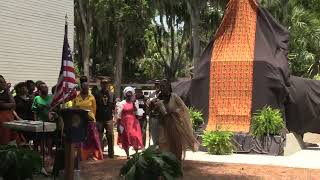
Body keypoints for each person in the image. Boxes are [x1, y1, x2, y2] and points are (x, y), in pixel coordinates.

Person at [153, 80, 199, 161]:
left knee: (176, 144)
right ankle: (166, 163)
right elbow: (153, 111)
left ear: (168, 87)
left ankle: (177, 162)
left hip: (174, 124)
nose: (162, 88)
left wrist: (174, 112)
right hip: (163, 125)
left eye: (164, 86)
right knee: (163, 143)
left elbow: (183, 108)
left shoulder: (174, 97)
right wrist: (153, 107)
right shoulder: (157, 99)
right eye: (161, 86)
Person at [73, 80, 103, 161]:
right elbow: (74, 109)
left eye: (86, 88)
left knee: (92, 138)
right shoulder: (76, 97)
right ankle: (81, 156)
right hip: (80, 121)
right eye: (83, 88)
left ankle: (92, 155)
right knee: (81, 139)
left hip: (90, 120)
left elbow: (94, 109)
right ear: (81, 88)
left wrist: (94, 120)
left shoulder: (92, 97)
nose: (85, 89)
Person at [116, 87, 144, 159]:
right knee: (125, 138)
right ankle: (127, 154)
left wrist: (134, 103)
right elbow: (118, 115)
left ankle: (136, 152)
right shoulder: (121, 103)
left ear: (132, 94)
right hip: (124, 123)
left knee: (135, 136)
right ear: (125, 94)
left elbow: (137, 112)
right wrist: (118, 126)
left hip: (133, 122)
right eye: (127, 93)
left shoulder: (135, 102)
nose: (129, 95)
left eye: (130, 93)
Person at [95, 79, 115, 158]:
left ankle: (111, 153)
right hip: (99, 118)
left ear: (108, 84)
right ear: (100, 84)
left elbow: (114, 106)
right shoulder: (97, 94)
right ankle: (99, 153)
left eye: (106, 84)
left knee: (110, 135)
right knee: (99, 136)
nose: (104, 85)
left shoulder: (111, 94)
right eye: (103, 83)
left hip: (109, 118)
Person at [32, 82, 53, 156]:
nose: (46, 88)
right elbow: (34, 111)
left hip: (50, 121)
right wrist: (35, 122)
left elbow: (55, 108)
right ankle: (42, 153)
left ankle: (50, 153)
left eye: (46, 87)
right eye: (44, 87)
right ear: (39, 89)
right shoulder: (37, 98)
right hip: (40, 121)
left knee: (49, 137)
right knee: (41, 138)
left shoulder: (51, 97)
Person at [0, 75, 16, 145]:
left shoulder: (7, 92)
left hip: (8, 117)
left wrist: (4, 104)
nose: (3, 83)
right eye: (1, 82)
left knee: (10, 138)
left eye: (4, 81)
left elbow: (13, 104)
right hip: (1, 119)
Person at [146, 80, 161, 145]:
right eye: (156, 84)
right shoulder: (152, 94)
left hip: (161, 117)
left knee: (161, 136)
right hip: (153, 117)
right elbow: (147, 103)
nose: (157, 86)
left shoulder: (163, 94)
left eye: (158, 84)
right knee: (154, 135)